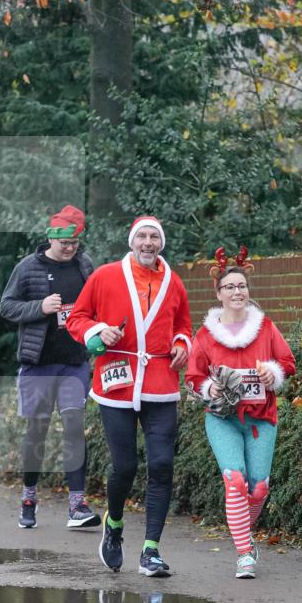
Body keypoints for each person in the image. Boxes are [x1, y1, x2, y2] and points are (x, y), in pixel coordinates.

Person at [66, 216, 192, 577]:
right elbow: (77, 317)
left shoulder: (174, 283)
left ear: (161, 243)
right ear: (132, 241)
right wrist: (96, 330)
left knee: (162, 465)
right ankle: (115, 524)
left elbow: (183, 325)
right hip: (117, 381)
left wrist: (183, 344)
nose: (148, 242)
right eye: (142, 236)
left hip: (160, 381)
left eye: (154, 237)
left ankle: (151, 550)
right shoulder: (105, 275)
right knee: (125, 467)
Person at [185, 246, 295, 579]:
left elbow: (287, 364)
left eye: (242, 286)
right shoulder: (205, 336)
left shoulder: (266, 328)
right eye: (230, 287)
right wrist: (209, 388)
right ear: (218, 293)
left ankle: (243, 534)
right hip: (223, 420)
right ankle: (245, 553)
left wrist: (271, 374)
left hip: (262, 419)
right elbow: (193, 377)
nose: (237, 291)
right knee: (235, 482)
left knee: (258, 488)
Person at [0, 206, 101, 530]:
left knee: (73, 425)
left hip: (74, 361)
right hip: (39, 364)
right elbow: (6, 305)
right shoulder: (28, 267)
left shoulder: (84, 265)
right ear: (50, 238)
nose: (70, 249)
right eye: (64, 243)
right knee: (36, 433)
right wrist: (39, 307)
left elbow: (99, 302)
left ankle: (77, 505)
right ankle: (29, 498)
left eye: (74, 243)